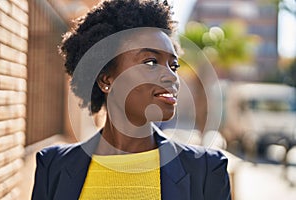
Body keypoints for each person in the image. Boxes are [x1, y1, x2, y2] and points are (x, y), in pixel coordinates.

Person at [31, 0, 231, 199]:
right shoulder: (53, 167)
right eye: (151, 62)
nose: (171, 76)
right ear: (105, 79)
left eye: (173, 66)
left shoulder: (206, 171)